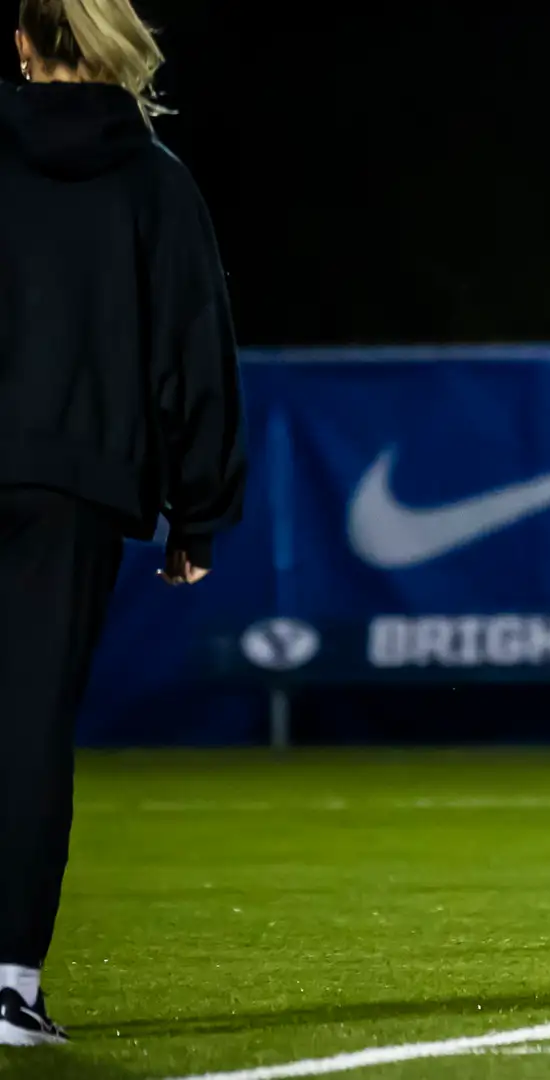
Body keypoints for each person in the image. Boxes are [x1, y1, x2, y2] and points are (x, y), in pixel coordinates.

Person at [0, 0, 245, 1046]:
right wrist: (199, 510)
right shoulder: (153, 178)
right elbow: (193, 357)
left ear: (21, 44)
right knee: (24, 732)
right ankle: (7, 984)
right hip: (72, 487)